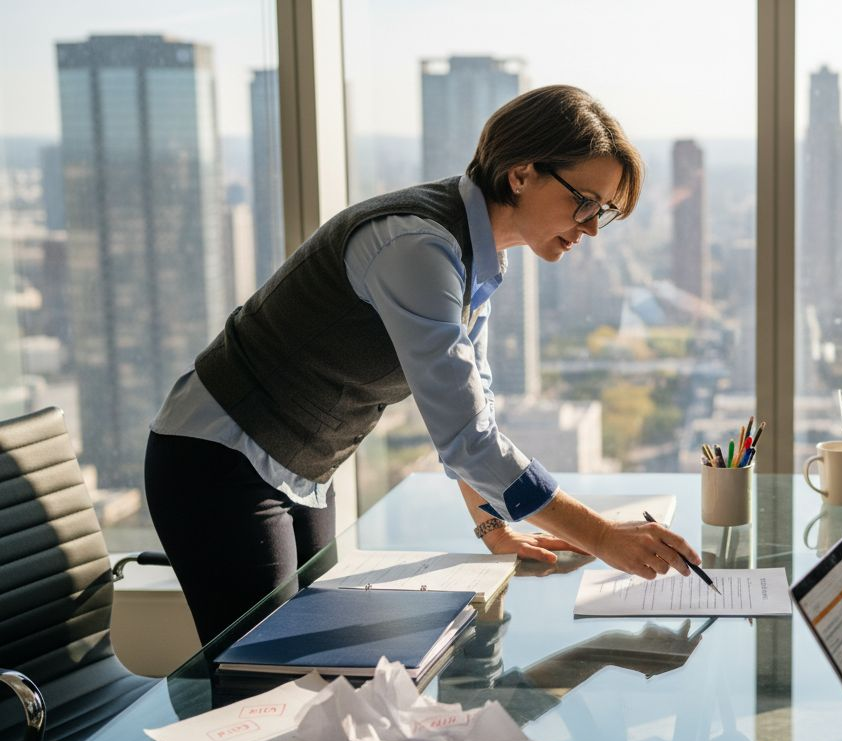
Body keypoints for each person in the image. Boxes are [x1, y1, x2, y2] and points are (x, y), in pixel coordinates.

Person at [144, 85, 699, 644]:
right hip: (218, 455)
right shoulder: (418, 246)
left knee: (314, 658)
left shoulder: (479, 256)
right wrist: (601, 537)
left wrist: (492, 525)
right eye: (585, 202)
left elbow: (471, 409)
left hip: (302, 466)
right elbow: (468, 439)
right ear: (521, 175)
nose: (592, 226)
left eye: (604, 211)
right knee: (261, 666)